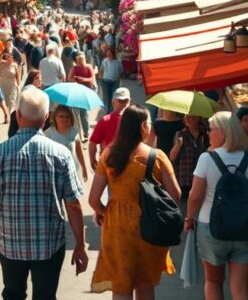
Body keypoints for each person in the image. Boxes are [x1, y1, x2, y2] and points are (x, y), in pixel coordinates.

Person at [0, 88, 88, 299]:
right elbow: (73, 205)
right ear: (46, 117)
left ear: (18, 115)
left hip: (11, 244)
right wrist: (80, 245)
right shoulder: (61, 154)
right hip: (49, 245)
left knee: (13, 294)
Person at [90, 104, 180, 298]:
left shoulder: (109, 154)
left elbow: (93, 199)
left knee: (121, 286)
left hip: (117, 227)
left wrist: (105, 213)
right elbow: (176, 194)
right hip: (150, 226)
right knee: (145, 283)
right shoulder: (157, 156)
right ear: (143, 127)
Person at [185, 111, 248, 300]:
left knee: (214, 281)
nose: (208, 133)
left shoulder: (206, 159)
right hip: (246, 229)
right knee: (241, 289)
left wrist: (189, 218)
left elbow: (194, 197)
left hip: (211, 228)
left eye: (211, 130)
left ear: (223, 132)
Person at [89, 87, 131, 171]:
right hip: (128, 162)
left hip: (109, 161)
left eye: (124, 101)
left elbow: (93, 143)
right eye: (121, 100)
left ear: (113, 102)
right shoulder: (134, 120)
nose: (123, 103)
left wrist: (92, 160)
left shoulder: (105, 120)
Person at [169, 114, 210, 201]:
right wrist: (178, 144)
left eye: (192, 116)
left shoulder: (205, 135)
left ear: (199, 118)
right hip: (184, 179)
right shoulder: (180, 134)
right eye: (186, 116)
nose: (188, 119)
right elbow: (172, 157)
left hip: (200, 179)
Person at [44, 105, 89, 181]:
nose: (64, 119)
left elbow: (79, 151)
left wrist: (84, 168)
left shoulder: (74, 132)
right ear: (55, 117)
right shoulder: (48, 133)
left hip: (73, 171)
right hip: (54, 173)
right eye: (61, 116)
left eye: (67, 116)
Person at [9, 71, 44, 138]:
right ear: (31, 80)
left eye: (41, 78)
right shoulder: (28, 90)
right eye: (37, 78)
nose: (40, 80)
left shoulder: (39, 91)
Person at [98, 47, 123, 114]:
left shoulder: (117, 61)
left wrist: (119, 78)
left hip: (115, 81)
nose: (108, 54)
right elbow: (101, 70)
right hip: (105, 81)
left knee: (114, 97)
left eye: (110, 53)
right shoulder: (104, 61)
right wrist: (100, 78)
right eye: (107, 53)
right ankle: (107, 111)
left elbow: (121, 70)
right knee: (106, 97)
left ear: (113, 54)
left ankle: (112, 111)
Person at [0, 50, 22, 114]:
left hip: (12, 84)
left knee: (12, 101)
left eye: (11, 57)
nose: (10, 58)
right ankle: (6, 114)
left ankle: (10, 115)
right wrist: (2, 54)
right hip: (3, 84)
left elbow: (18, 75)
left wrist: (18, 85)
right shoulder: (2, 63)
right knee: (3, 101)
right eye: (8, 57)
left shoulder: (15, 65)